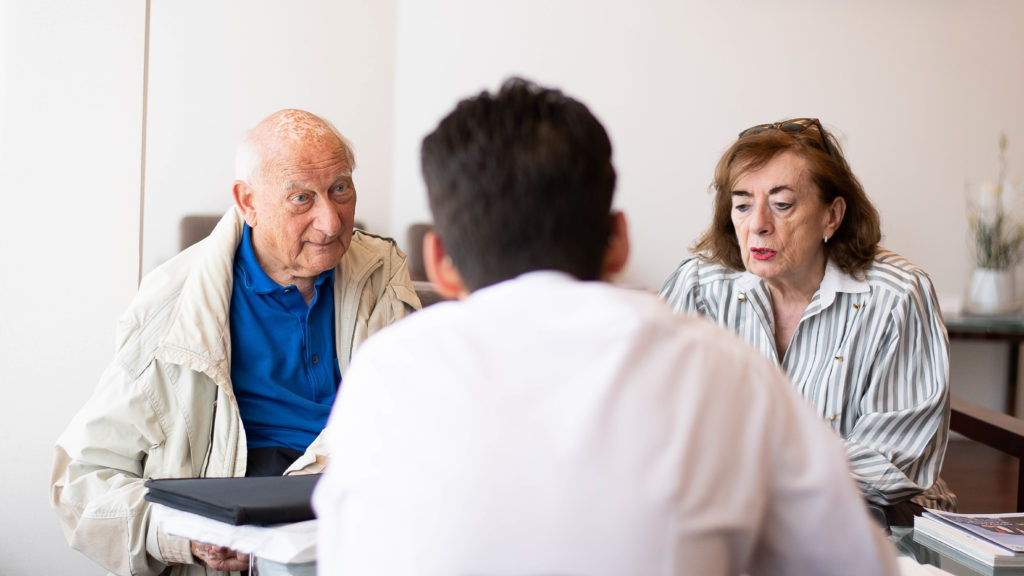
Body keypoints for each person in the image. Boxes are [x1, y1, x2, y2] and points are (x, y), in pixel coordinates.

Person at [312, 80, 897, 575]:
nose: (758, 224)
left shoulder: (387, 373)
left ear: (439, 262)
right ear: (619, 241)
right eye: (743, 204)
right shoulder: (729, 373)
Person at [50, 109, 420, 575]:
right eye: (301, 198)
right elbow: (80, 483)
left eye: (340, 189)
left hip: (355, 526)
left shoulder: (381, 274)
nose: (330, 221)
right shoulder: (171, 306)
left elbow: (412, 421)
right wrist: (186, 534)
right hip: (241, 535)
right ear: (248, 203)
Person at [659, 118, 955, 526]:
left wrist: (752, 475)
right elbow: (656, 417)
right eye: (743, 204)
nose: (758, 224)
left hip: (878, 522)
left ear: (832, 216)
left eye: (781, 205)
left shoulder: (898, 295)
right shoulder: (697, 286)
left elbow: (890, 462)